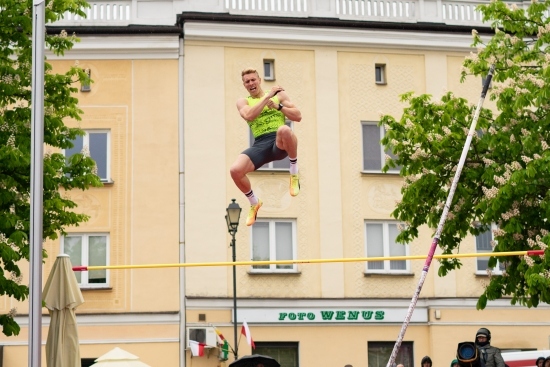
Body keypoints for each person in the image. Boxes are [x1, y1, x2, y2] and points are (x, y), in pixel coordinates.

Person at [231, 67, 302, 226]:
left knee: (284, 129)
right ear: (244, 85)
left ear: (259, 80)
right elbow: (249, 115)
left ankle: (294, 172)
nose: (250, 83)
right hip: (260, 144)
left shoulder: (279, 96)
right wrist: (268, 97)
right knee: (235, 170)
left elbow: (298, 116)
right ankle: (254, 202)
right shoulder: (244, 101)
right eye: (247, 82)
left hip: (279, 142)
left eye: (253, 80)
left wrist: (279, 107)